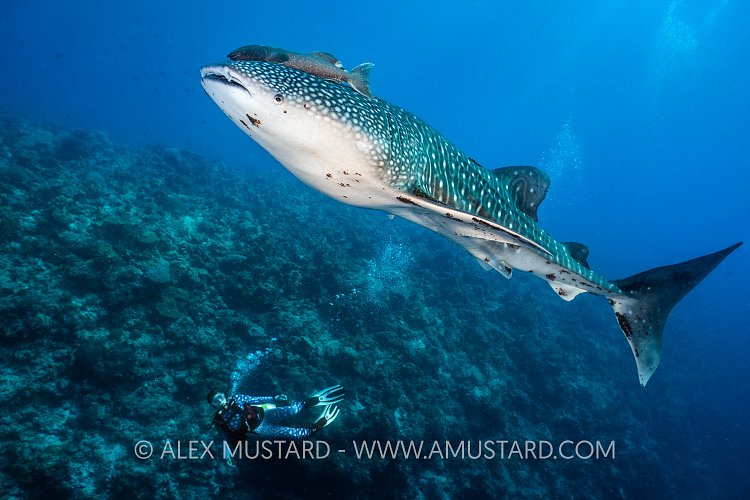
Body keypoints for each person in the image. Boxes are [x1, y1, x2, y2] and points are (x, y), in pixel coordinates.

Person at [207, 384, 345, 446]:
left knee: (293, 410)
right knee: (295, 435)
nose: (219, 400)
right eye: (215, 401)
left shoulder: (237, 398)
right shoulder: (218, 421)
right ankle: (313, 429)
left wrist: (274, 398)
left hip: (265, 414)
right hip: (260, 431)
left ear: (224, 395)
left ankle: (308, 403)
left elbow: (256, 400)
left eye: (220, 396)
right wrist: (228, 455)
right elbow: (223, 437)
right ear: (213, 405)